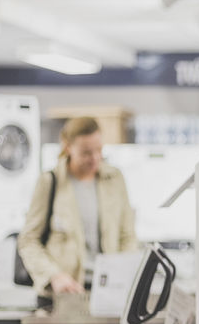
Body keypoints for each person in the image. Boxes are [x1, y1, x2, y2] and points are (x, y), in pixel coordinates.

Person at [17, 116, 137, 295]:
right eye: (86, 153)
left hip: (108, 291)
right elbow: (28, 241)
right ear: (68, 147)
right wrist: (54, 276)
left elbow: (128, 236)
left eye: (99, 150)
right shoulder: (50, 182)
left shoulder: (114, 179)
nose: (95, 158)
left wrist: (121, 275)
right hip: (65, 294)